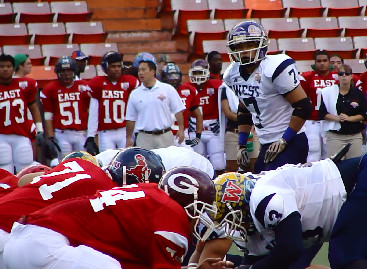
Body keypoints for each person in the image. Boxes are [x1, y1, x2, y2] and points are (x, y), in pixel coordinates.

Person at [203, 154, 367, 269]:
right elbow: (266, 263)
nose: (230, 224)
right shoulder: (253, 223)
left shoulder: (262, 196)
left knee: (345, 257)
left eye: (229, 215)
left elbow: (290, 248)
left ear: (240, 202)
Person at [2, 166, 220, 269]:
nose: (201, 218)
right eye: (201, 209)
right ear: (189, 203)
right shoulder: (171, 215)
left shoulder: (149, 193)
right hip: (44, 246)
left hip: (22, 240)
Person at [224, 20, 312, 173]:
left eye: (249, 45)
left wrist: (284, 140)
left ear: (261, 45)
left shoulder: (274, 67)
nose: (244, 51)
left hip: (290, 139)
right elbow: (244, 110)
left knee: (273, 185)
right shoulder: (232, 74)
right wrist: (242, 145)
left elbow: (304, 106)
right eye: (239, 46)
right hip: (266, 143)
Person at [84, 51, 139, 155]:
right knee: (107, 161)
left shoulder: (129, 82)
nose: (117, 69)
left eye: (119, 66)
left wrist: (136, 132)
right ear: (105, 68)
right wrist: (91, 136)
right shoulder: (97, 84)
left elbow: (135, 110)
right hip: (105, 133)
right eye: (113, 66)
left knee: (126, 160)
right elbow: (94, 112)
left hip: (124, 131)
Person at [125, 59, 186, 149]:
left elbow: (178, 110)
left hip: (165, 134)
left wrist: (181, 129)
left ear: (153, 71)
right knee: (145, 162)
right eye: (139, 70)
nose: (140, 73)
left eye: (143, 70)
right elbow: (131, 118)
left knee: (166, 162)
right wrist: (129, 137)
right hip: (144, 136)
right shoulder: (135, 94)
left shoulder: (167, 89)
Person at [40, 56, 91, 160]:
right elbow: (48, 117)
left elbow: (92, 113)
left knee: (84, 163)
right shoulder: (50, 89)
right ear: (58, 72)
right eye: (63, 71)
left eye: (69, 70)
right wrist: (50, 137)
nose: (66, 74)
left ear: (74, 71)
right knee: (64, 163)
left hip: (81, 132)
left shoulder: (84, 87)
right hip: (62, 133)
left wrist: (92, 135)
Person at [0, 54, 44, 173]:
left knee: (25, 166)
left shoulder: (25, 84)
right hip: (1, 135)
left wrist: (40, 130)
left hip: (22, 133)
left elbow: (34, 108)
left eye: (8, 66)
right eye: (2, 66)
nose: (5, 69)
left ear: (14, 68)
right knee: (4, 167)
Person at [318, 65, 367, 159]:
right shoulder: (328, 92)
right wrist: (337, 118)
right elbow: (322, 113)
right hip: (335, 135)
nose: (344, 76)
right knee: (335, 165)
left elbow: (363, 114)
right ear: (338, 76)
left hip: (354, 135)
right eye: (341, 74)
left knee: (353, 164)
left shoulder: (358, 93)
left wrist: (349, 118)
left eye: (347, 74)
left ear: (351, 76)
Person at [185, 59, 225, 174]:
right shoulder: (185, 88)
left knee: (218, 162)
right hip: (195, 130)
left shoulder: (217, 85)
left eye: (200, 72)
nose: (197, 76)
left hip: (213, 130)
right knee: (198, 163)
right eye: (195, 73)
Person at [300, 50, 337, 162]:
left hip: (330, 120)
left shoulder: (337, 78)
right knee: (313, 152)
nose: (322, 63)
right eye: (319, 61)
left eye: (325, 61)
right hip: (312, 121)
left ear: (329, 62)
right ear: (314, 63)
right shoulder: (307, 77)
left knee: (329, 154)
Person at [160, 62, 204, 147]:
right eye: (170, 76)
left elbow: (199, 115)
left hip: (182, 133)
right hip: (163, 133)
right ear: (164, 77)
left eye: (176, 76)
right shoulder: (158, 91)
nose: (174, 79)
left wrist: (198, 136)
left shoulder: (189, 90)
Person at [13, 54, 43, 161]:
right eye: (28, 63)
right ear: (20, 66)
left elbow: (33, 107)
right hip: (16, 126)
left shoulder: (29, 83)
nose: (31, 66)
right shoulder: (9, 83)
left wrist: (39, 130)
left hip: (26, 124)